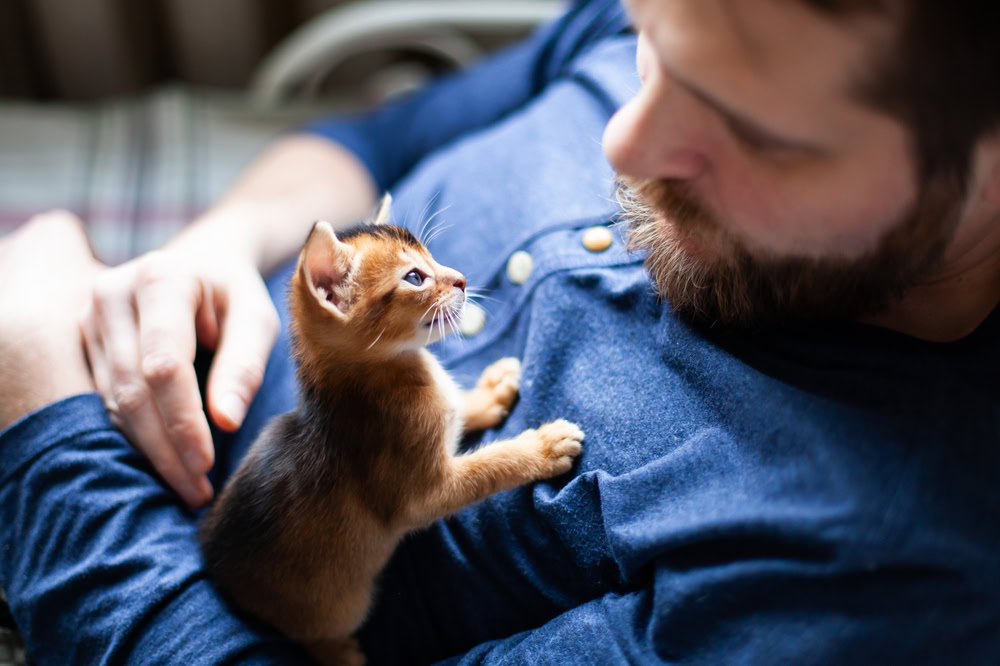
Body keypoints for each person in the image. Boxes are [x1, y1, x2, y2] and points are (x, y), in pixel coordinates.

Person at [1, 0, 998, 662]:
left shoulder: (869, 582)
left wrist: (39, 420)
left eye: (754, 133)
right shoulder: (729, 27)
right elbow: (380, 137)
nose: (625, 142)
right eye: (646, 34)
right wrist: (220, 242)